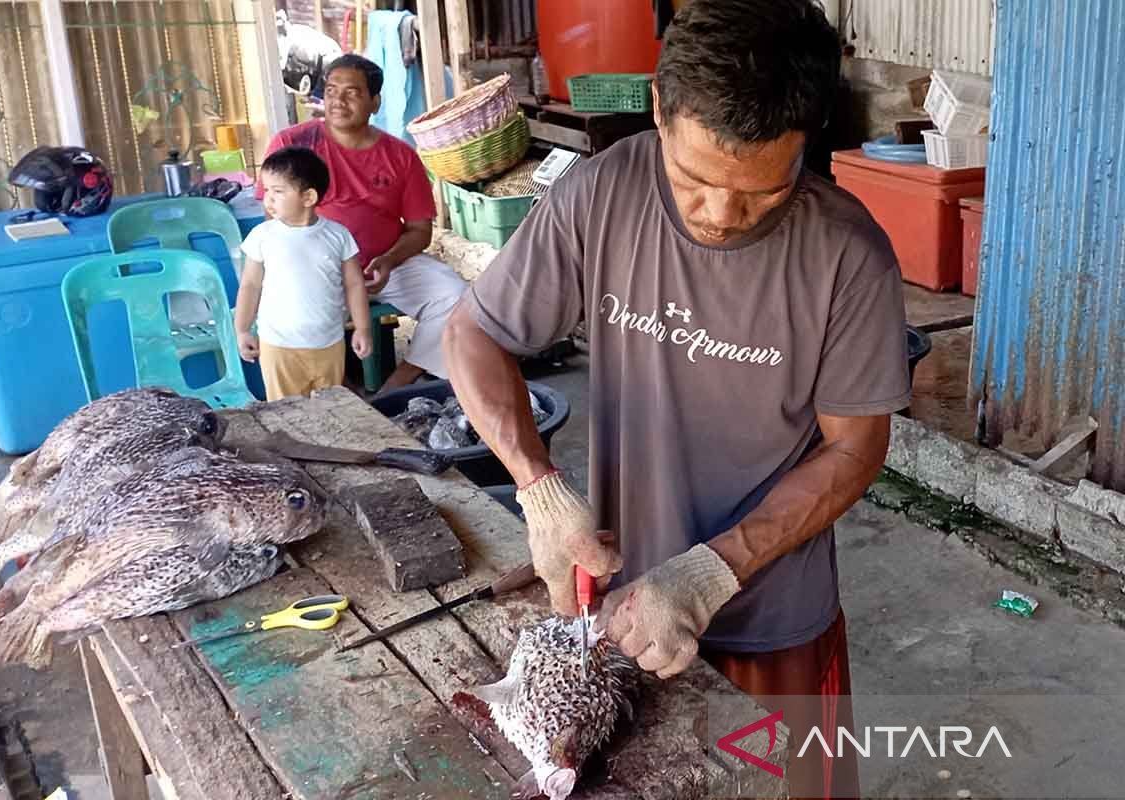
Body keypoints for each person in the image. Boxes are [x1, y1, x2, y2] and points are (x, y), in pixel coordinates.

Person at [443, 1, 911, 796]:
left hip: (771, 620)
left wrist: (712, 573)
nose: (720, 215)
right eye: (695, 179)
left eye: (763, 193)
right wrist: (539, 487)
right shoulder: (599, 196)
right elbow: (473, 336)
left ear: (808, 139)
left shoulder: (849, 256)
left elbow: (854, 448)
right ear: (659, 107)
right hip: (614, 615)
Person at [257, 53, 466, 394]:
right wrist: (323, 263)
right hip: (315, 267)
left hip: (385, 265)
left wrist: (388, 260)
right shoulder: (292, 145)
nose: (338, 100)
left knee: (456, 298)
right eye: (331, 90)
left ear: (374, 101)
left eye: (352, 92)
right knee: (296, 316)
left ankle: (398, 385)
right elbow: (274, 216)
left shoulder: (400, 156)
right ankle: (342, 389)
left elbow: (419, 230)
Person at [235, 146, 372, 401]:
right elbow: (250, 285)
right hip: (278, 346)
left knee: (330, 410)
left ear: (308, 197)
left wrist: (363, 327)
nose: (268, 199)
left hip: (329, 343)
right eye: (267, 191)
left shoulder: (338, 236)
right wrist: (242, 329)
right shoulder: (263, 236)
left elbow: (354, 284)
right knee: (287, 414)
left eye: (278, 191)